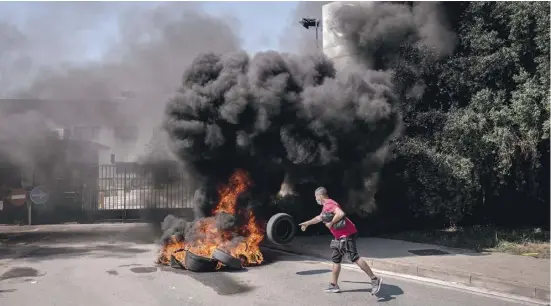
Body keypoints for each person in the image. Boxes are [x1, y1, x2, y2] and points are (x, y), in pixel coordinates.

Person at [299, 187, 382, 295]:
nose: (316, 199)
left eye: (316, 197)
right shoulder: (326, 206)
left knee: (354, 257)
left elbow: (340, 213)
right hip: (340, 237)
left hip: (346, 235)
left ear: (320, 195)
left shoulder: (329, 204)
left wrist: (331, 223)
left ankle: (374, 279)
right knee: (336, 259)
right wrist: (307, 223)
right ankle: (334, 285)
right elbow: (319, 218)